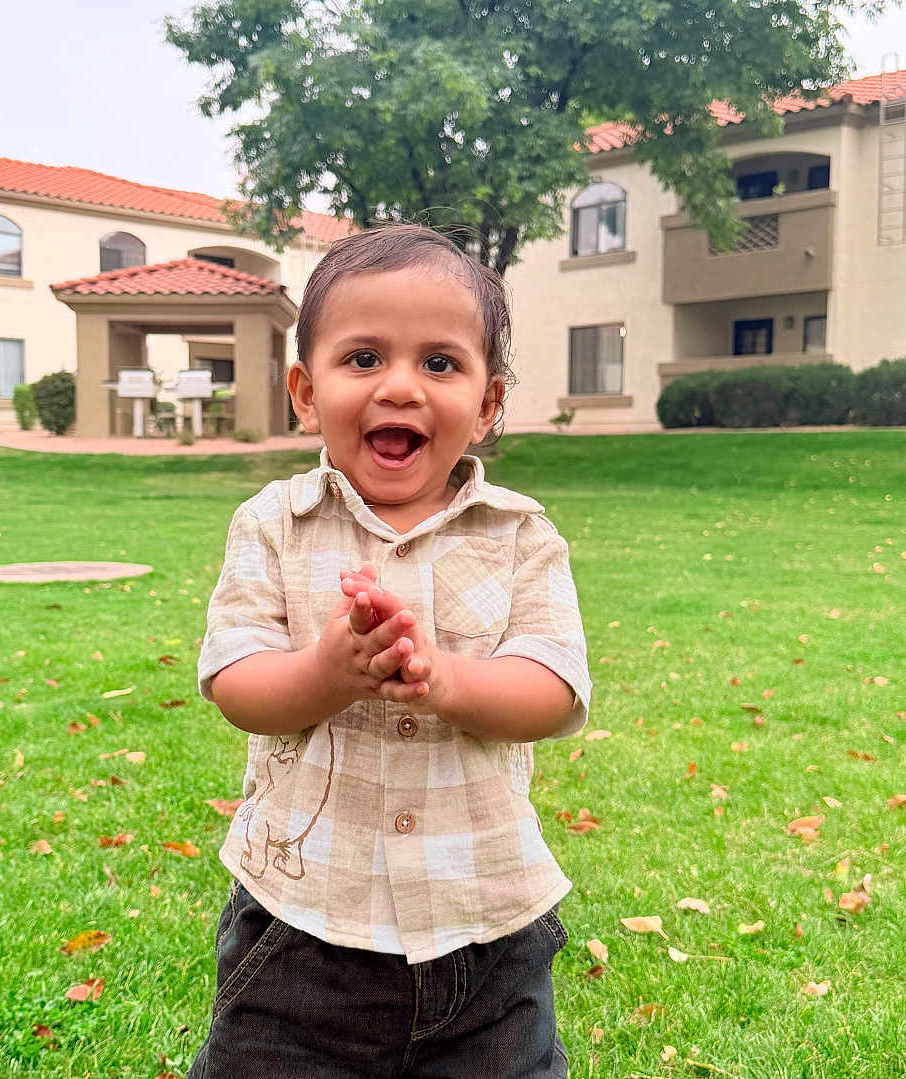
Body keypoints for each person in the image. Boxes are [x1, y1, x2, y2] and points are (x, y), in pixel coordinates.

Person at [190, 224, 591, 1078]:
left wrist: (446, 680)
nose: (400, 386)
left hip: (487, 929)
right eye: (363, 357)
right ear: (305, 390)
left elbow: (552, 691)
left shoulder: (521, 536)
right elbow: (235, 679)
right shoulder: (272, 524)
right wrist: (324, 674)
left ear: (487, 404)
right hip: (301, 933)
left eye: (440, 363)